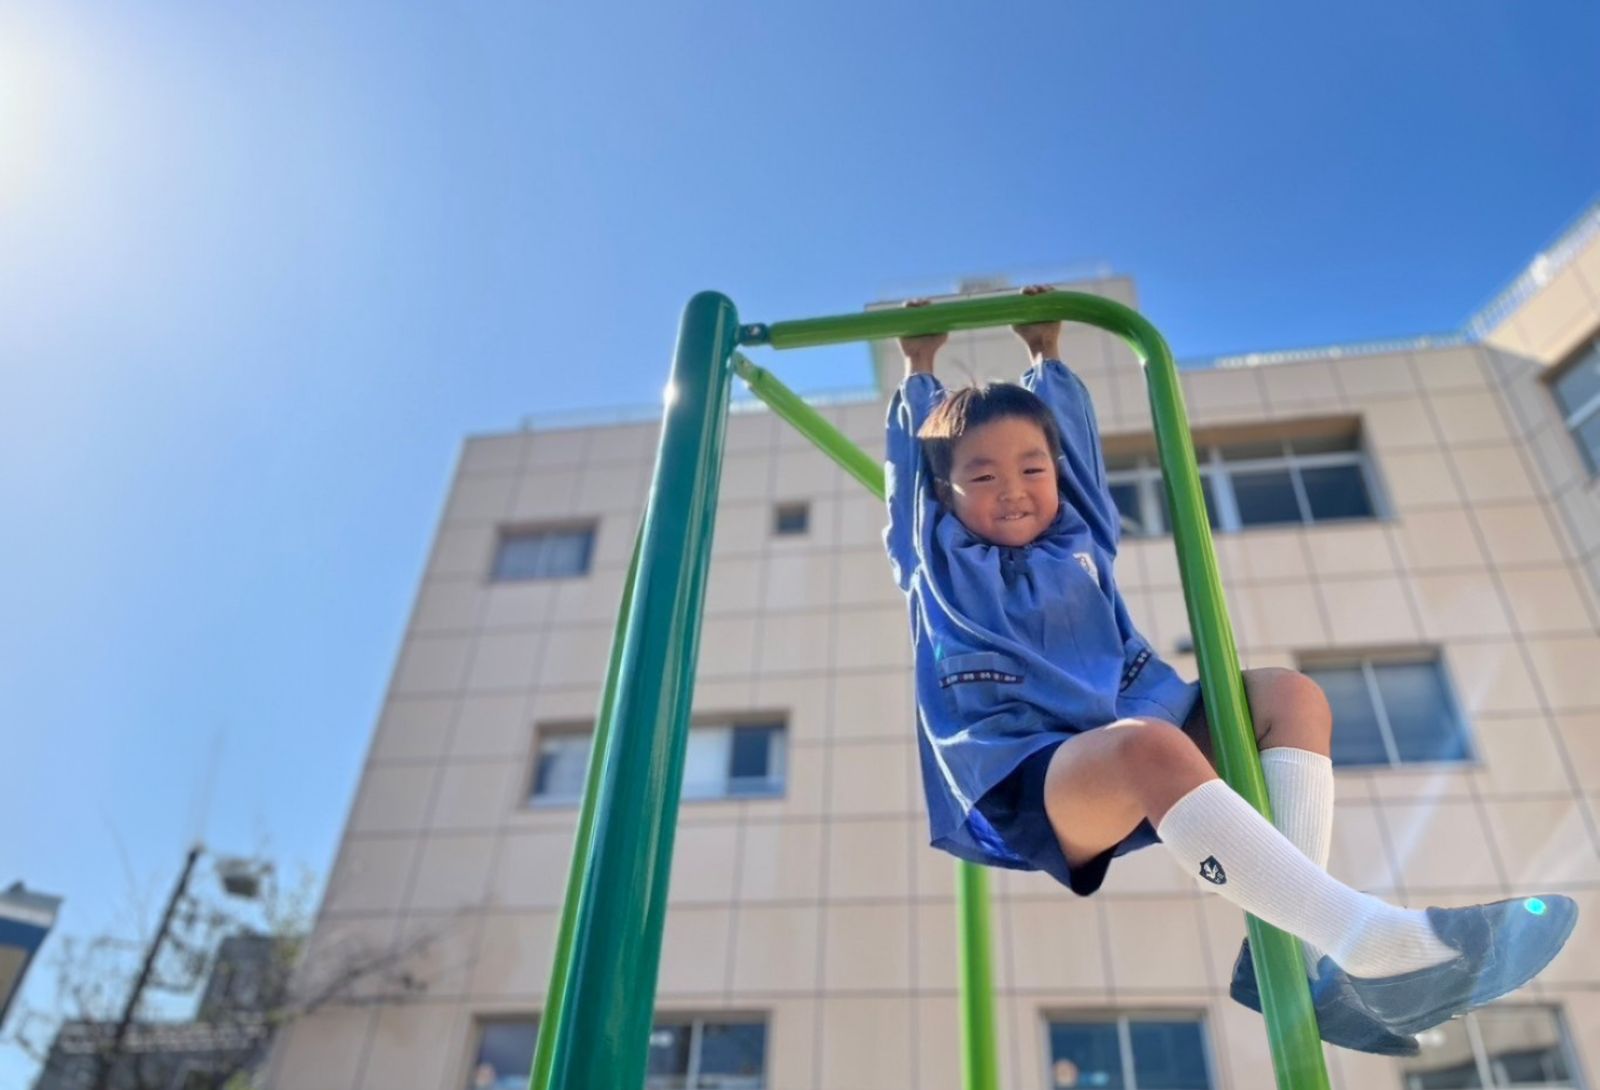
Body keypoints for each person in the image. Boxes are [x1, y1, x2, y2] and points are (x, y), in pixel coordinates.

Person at [883, 285, 1576, 1054]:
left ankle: (1293, 951)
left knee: (1288, 694)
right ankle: (1374, 940)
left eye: (1031, 469)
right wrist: (920, 365)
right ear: (946, 494)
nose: (1012, 488)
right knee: (1140, 743)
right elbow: (911, 476)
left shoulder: (1081, 531)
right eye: (981, 478)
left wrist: (1046, 353)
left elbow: (1072, 450)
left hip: (1141, 737)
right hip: (1031, 778)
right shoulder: (939, 560)